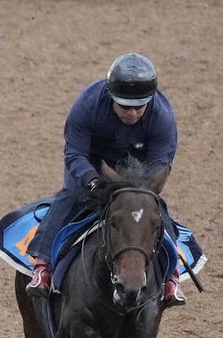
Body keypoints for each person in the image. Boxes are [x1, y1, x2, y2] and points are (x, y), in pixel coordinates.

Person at [25, 53, 186, 307]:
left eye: (138, 107)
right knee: (70, 197)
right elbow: (75, 153)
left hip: (138, 171)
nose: (132, 113)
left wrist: (143, 189)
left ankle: (171, 278)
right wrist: (92, 180)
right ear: (111, 97)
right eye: (124, 106)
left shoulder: (163, 117)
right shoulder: (87, 105)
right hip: (91, 165)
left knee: (153, 207)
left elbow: (161, 162)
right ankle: (42, 267)